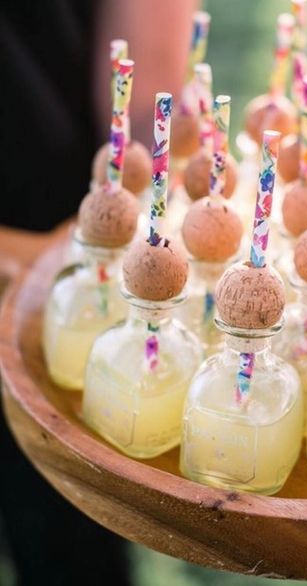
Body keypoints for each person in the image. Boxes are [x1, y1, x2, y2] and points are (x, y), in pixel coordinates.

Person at [0, 1, 196, 583]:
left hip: (70, 286)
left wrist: (152, 165)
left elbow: (144, 99)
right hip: (49, 270)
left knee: (68, 545)